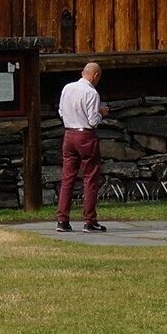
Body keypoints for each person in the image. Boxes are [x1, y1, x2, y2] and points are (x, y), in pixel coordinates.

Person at [57, 60, 107, 232]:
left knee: (67, 178)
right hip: (85, 135)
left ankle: (62, 220)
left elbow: (61, 112)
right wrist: (101, 114)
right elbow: (93, 121)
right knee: (90, 177)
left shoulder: (67, 88)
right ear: (95, 76)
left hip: (69, 134)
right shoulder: (91, 93)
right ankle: (89, 221)